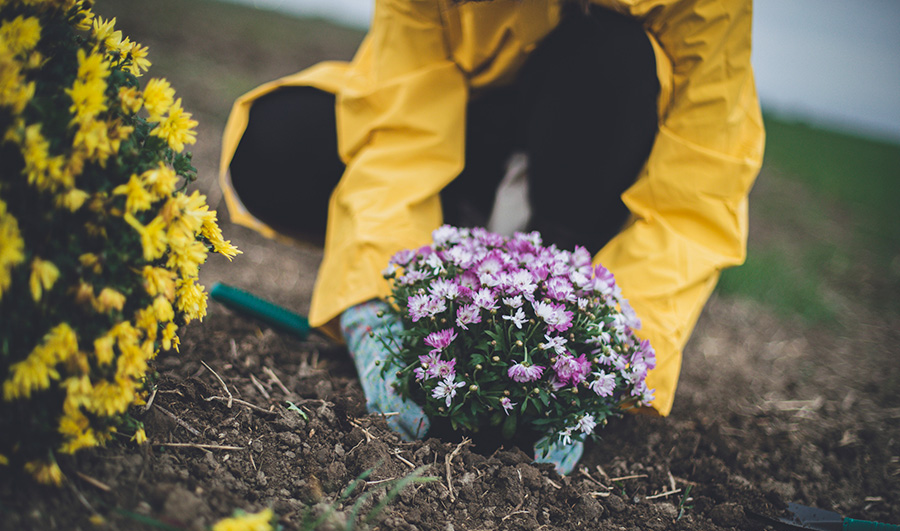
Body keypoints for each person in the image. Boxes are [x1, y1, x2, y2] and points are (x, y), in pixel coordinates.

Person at [218, 0, 765, 472]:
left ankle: (539, 269)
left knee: (611, 55)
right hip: (472, 151)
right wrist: (371, 295)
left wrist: (612, 347)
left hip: (587, 164)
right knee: (279, 141)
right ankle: (458, 263)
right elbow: (397, 130)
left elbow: (695, 197)